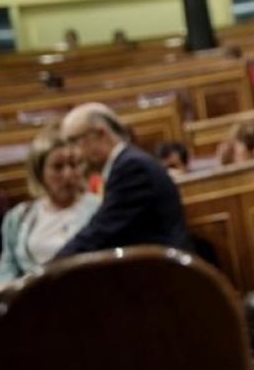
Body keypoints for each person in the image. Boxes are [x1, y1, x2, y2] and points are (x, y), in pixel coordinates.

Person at [57, 103, 189, 257]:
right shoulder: (125, 164)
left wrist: (46, 272)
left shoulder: (131, 168)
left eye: (74, 141)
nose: (71, 154)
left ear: (101, 134)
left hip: (164, 271)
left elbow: (101, 232)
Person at [0, 129, 100, 285]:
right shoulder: (19, 215)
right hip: (31, 297)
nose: (68, 174)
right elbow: (7, 266)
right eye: (58, 167)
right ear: (39, 172)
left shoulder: (99, 209)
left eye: (74, 164)